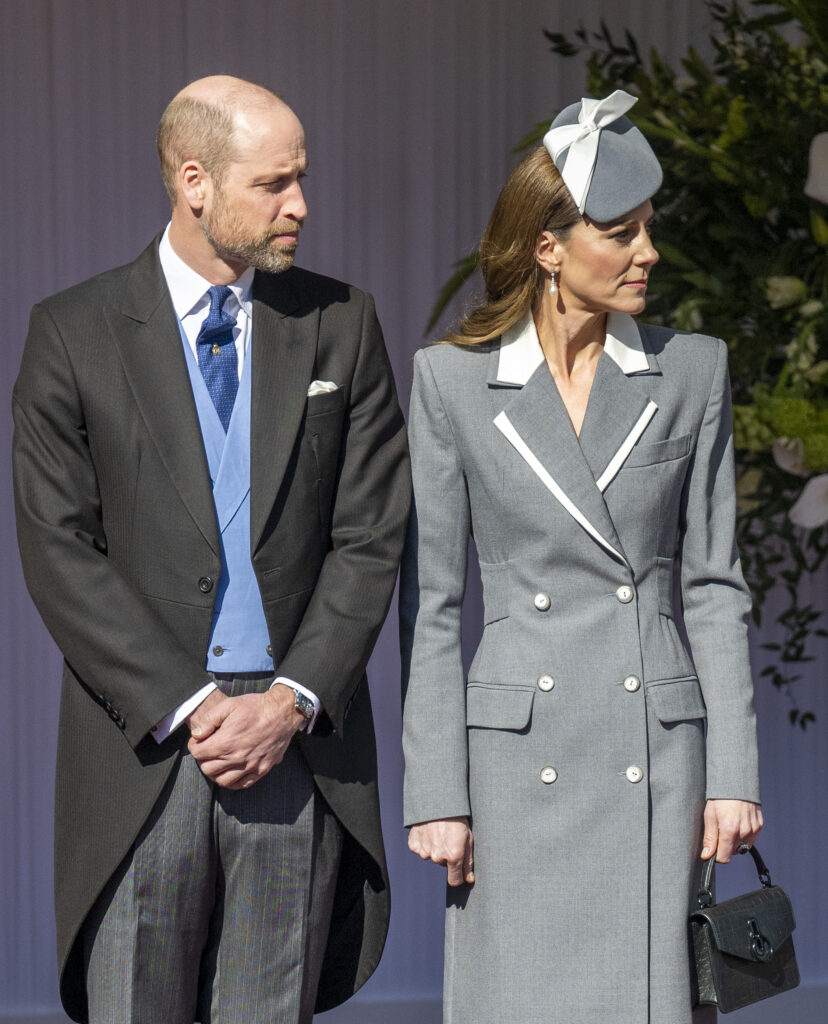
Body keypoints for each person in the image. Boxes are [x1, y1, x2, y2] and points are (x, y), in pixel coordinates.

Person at [13, 75, 410, 1024]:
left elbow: (371, 533)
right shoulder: (72, 332)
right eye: (274, 183)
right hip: (145, 756)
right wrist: (190, 705)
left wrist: (288, 700)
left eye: (301, 179)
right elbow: (56, 547)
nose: (300, 205)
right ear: (194, 182)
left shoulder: (340, 324)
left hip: (294, 749)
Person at [400, 90, 762, 1024]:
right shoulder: (451, 381)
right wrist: (436, 789)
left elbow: (716, 586)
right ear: (548, 247)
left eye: (650, 228)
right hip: (516, 764)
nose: (649, 252)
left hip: (656, 750)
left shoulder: (692, 369)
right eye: (621, 231)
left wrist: (733, 773)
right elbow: (433, 604)